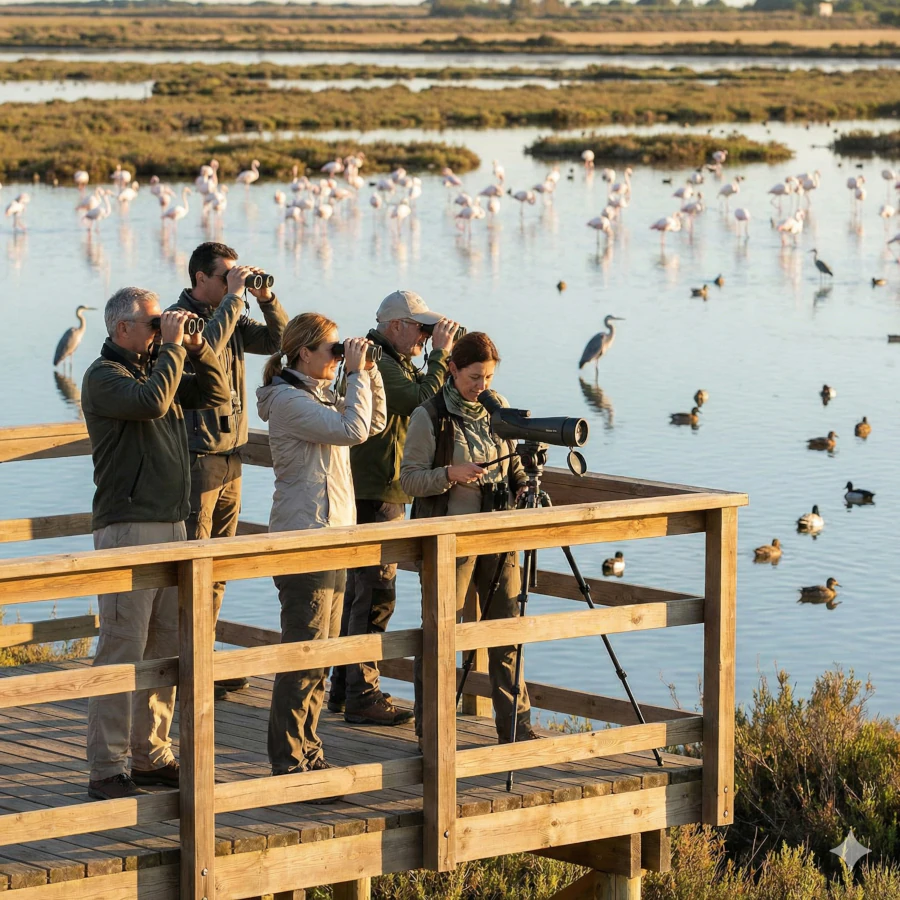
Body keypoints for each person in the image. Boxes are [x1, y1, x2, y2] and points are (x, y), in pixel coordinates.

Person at [82, 286, 230, 801]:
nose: (160, 330)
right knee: (122, 648)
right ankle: (107, 768)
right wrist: (170, 350)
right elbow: (151, 405)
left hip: (172, 525)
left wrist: (196, 347)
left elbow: (215, 395)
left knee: (165, 646)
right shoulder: (105, 378)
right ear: (122, 328)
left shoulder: (155, 366)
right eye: (152, 324)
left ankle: (151, 754)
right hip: (128, 527)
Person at [256, 313, 386, 784]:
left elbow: (371, 422)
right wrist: (352, 375)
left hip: (332, 536)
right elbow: (351, 430)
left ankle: (309, 752)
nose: (337, 357)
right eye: (331, 350)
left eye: (340, 350)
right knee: (303, 654)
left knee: (323, 655)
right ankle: (289, 760)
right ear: (303, 353)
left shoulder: (317, 394)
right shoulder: (289, 401)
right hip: (303, 538)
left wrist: (367, 371)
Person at [329, 289, 460, 726]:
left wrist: (433, 355)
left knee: (357, 594)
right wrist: (442, 355)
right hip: (377, 492)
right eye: (419, 328)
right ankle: (362, 695)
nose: (425, 335)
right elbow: (421, 399)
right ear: (395, 327)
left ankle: (343, 690)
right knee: (374, 596)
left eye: (428, 329)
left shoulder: (387, 360)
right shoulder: (381, 363)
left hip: (377, 488)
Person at [400, 332, 537, 745]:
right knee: (440, 635)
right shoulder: (430, 416)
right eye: (474, 377)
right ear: (453, 370)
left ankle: (516, 728)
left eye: (489, 378)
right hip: (449, 543)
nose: (482, 387)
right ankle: (434, 733)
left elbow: (514, 469)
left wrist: (522, 487)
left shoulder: (499, 411)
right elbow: (409, 480)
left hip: (498, 536)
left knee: (507, 631)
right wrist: (449, 475)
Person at [171, 242, 288, 699]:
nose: (232, 283)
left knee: (218, 566)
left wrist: (266, 300)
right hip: (198, 457)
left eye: (236, 276)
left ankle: (205, 658)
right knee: (194, 565)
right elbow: (207, 351)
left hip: (231, 453)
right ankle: (186, 664)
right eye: (226, 277)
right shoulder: (184, 321)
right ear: (200, 278)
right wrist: (236, 300)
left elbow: (278, 343)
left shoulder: (232, 312)